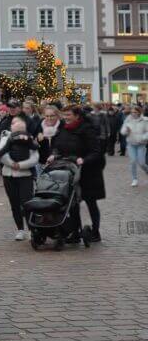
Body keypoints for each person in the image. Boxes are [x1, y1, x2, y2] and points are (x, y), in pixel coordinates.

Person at [48, 104, 104, 242]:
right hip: (69, 171)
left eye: (68, 115)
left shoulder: (87, 129)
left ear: (77, 116)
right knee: (72, 204)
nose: (65, 117)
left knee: (90, 202)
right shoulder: (63, 127)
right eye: (64, 115)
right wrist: (54, 154)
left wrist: (84, 159)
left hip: (88, 172)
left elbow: (96, 151)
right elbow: (56, 145)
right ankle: (75, 232)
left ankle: (95, 232)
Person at [0, 114, 39, 240]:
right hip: (8, 175)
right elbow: (2, 154)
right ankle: (20, 229)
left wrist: (20, 165)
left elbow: (35, 157)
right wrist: (12, 164)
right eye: (14, 123)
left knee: (27, 202)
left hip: (25, 175)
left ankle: (31, 229)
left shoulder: (28, 138)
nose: (16, 126)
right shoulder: (6, 137)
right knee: (14, 203)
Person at [120, 105, 148, 186]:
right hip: (131, 144)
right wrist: (126, 131)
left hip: (141, 144)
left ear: (139, 112)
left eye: (135, 112)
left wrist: (143, 138)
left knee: (142, 163)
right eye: (132, 112)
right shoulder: (128, 120)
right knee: (132, 161)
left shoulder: (145, 120)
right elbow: (122, 131)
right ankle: (134, 179)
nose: (133, 114)